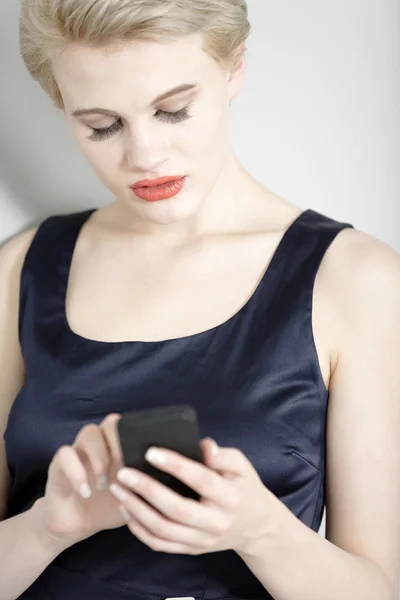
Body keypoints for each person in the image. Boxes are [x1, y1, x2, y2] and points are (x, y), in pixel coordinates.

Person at [0, 0, 399, 599]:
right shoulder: (21, 268)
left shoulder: (357, 280)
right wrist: (48, 527)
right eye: (101, 125)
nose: (145, 156)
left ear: (235, 66)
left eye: (174, 110)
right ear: (61, 105)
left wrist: (260, 531)